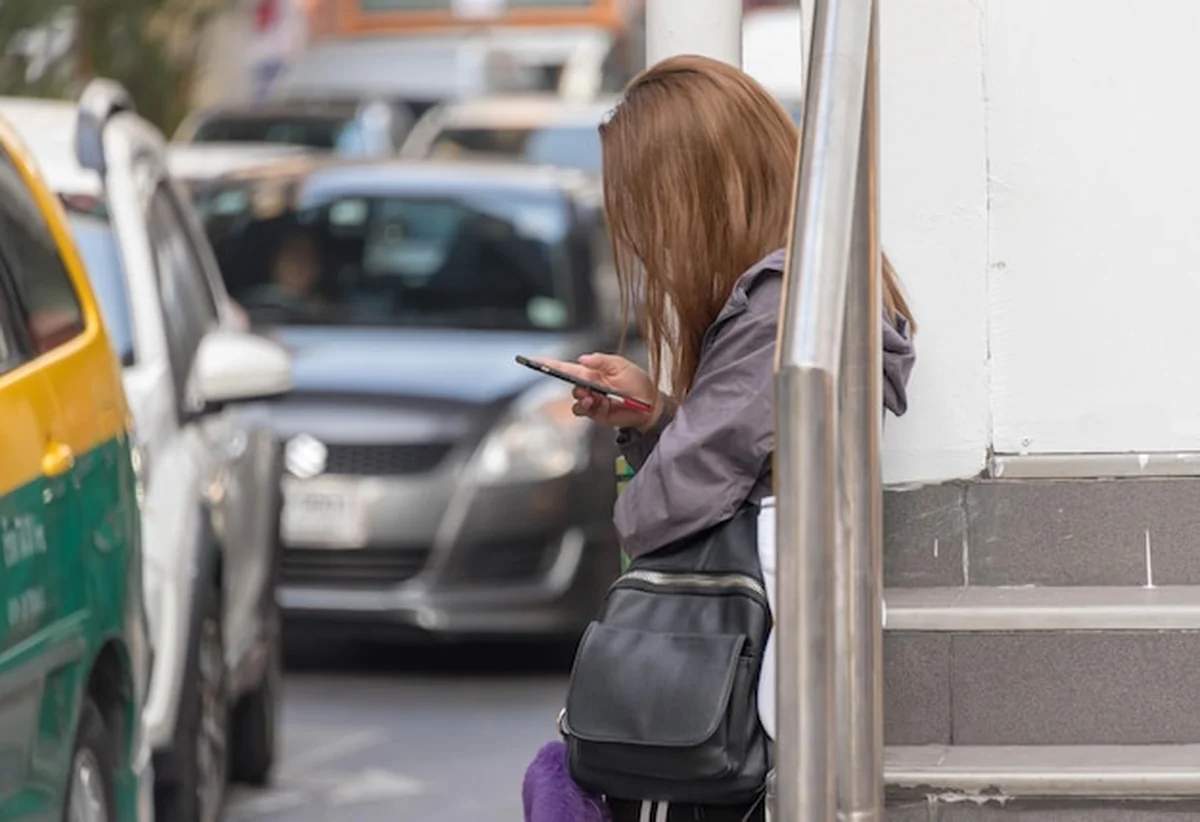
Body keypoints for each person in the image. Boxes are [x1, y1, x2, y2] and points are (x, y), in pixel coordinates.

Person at [539, 54, 917, 822]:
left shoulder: (780, 310)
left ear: (702, 191)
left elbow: (662, 510)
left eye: (648, 206)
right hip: (769, 670)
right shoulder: (812, 290)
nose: (646, 238)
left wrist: (659, 459)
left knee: (562, 776)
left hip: (748, 689)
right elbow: (737, 460)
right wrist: (655, 415)